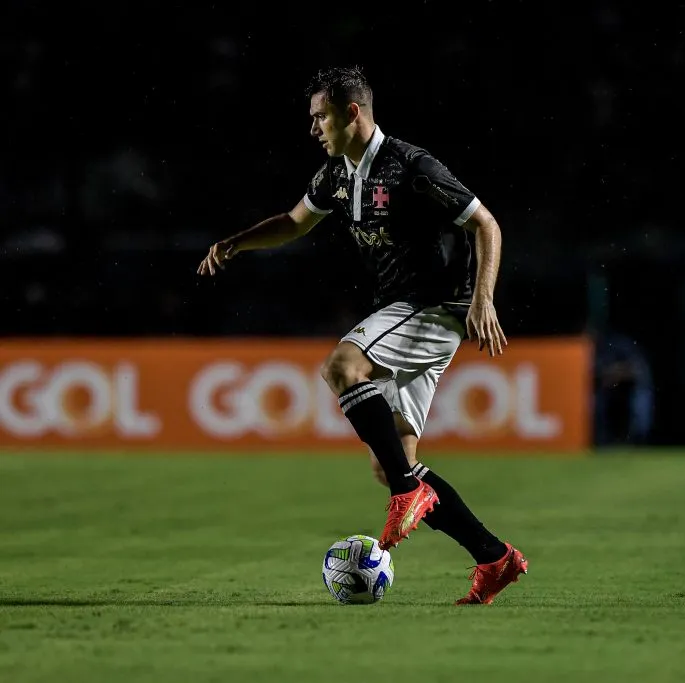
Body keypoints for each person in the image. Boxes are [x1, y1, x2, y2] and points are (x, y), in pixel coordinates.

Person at [197, 66, 527, 604]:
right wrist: (237, 242)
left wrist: (484, 298)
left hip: (432, 306)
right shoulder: (338, 174)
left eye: (320, 116)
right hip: (406, 312)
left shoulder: (411, 166)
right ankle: (494, 558)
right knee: (391, 460)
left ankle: (408, 493)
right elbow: (294, 222)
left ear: (352, 112)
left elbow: (484, 223)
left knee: (342, 367)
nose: (313, 128)